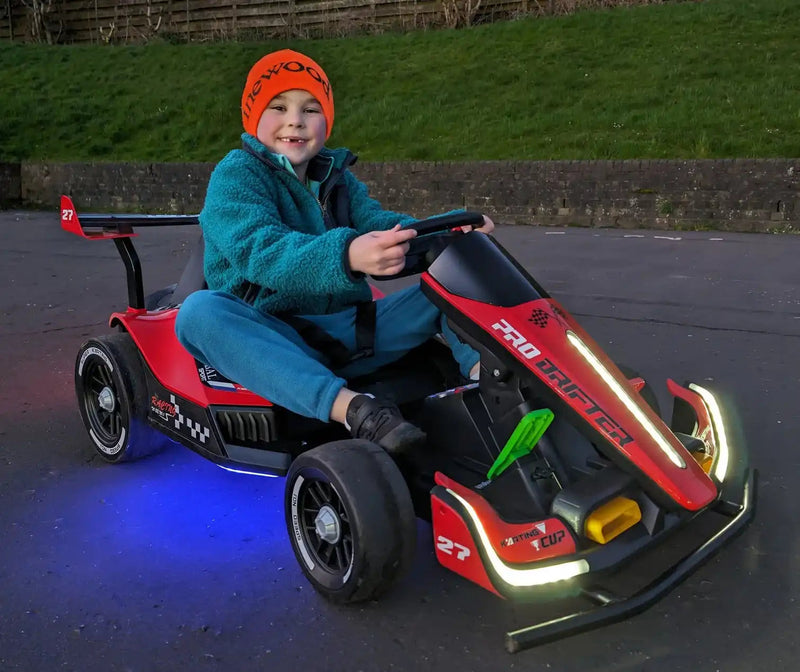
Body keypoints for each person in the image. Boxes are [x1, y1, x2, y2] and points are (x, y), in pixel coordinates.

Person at [175, 49, 494, 456]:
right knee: (198, 314)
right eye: (279, 107)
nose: (295, 120)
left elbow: (385, 227)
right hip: (278, 335)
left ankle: (488, 390)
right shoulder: (237, 176)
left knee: (447, 291)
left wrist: (453, 227)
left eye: (311, 109)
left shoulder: (338, 179)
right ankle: (357, 410)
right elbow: (264, 252)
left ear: (326, 122)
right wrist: (346, 256)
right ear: (252, 118)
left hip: (352, 331)